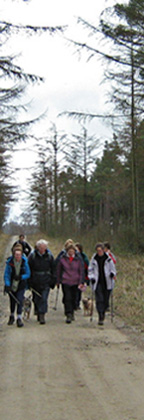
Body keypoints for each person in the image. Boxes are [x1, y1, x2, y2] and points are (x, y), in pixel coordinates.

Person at [28, 239, 55, 325]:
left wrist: (53, 280)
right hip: (35, 280)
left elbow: (53, 269)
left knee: (44, 298)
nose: (43, 249)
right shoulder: (32, 256)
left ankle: (42, 314)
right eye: (41, 248)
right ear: (38, 247)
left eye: (44, 247)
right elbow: (29, 269)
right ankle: (37, 310)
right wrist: (29, 281)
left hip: (46, 280)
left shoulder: (50, 256)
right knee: (36, 298)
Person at [88, 242, 116, 326]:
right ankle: (100, 315)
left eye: (100, 250)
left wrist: (112, 274)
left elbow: (113, 269)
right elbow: (90, 269)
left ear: (103, 250)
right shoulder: (94, 259)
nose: (99, 252)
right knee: (99, 299)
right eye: (98, 250)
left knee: (105, 299)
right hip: (97, 282)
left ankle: (103, 311)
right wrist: (91, 277)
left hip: (107, 282)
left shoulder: (109, 259)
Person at [4, 243, 31, 327]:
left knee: (19, 300)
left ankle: (19, 318)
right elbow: (6, 275)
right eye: (16, 254)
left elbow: (28, 273)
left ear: (21, 254)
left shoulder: (24, 262)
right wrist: (7, 284)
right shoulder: (9, 262)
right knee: (12, 301)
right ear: (13, 254)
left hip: (21, 284)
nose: (17, 256)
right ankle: (12, 316)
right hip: (12, 284)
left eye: (19, 254)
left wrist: (20, 277)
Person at [57, 243, 84, 324]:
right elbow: (59, 270)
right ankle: (68, 313)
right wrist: (58, 281)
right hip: (66, 281)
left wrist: (81, 281)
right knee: (67, 298)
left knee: (73, 298)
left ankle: (72, 313)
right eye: (69, 251)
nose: (71, 252)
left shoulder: (78, 259)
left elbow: (81, 271)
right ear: (67, 251)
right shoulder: (62, 259)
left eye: (72, 251)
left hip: (75, 281)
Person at [75, 242, 89, 309]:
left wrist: (86, 278)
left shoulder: (84, 258)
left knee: (78, 291)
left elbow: (87, 268)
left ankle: (77, 304)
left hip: (81, 276)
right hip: (73, 276)